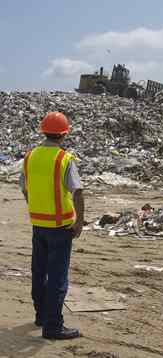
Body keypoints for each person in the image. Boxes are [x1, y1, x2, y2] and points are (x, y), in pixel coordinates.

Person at [20, 111, 84, 340]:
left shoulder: (29, 157)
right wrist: (79, 222)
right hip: (60, 228)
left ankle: (41, 316)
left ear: (43, 131)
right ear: (64, 134)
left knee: (38, 272)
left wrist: (38, 208)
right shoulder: (64, 159)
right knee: (57, 276)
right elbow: (77, 191)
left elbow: (25, 189)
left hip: (38, 225)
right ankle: (53, 326)